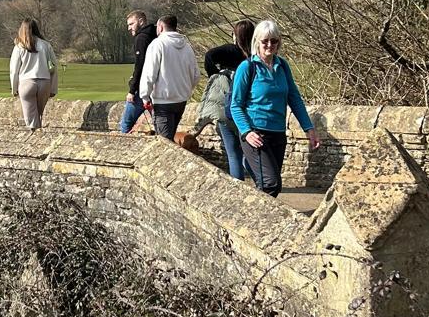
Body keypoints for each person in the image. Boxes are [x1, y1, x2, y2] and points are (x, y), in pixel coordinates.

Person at [229, 19, 322, 197]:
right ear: (257, 41)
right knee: (271, 184)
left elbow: (294, 99)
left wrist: (309, 128)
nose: (269, 45)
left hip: (278, 134)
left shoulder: (282, 66)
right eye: (265, 41)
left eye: (274, 41)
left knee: (268, 186)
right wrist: (247, 132)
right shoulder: (247, 67)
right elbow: (236, 105)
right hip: (256, 134)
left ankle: (255, 214)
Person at [200, 20, 254, 179]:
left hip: (228, 106)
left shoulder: (231, 50)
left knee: (233, 154)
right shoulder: (256, 55)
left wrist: (215, 76)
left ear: (235, 35)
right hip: (249, 108)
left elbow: (209, 55)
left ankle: (238, 186)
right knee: (250, 152)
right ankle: (261, 185)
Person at [138, 14, 200, 142]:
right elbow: (195, 75)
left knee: (164, 143)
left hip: (163, 102)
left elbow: (149, 74)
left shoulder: (158, 44)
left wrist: (145, 96)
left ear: (160, 27)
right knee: (170, 139)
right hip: (181, 100)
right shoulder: (187, 46)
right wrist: (186, 90)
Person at [9, 19, 58, 129]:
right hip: (44, 82)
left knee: (31, 121)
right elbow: (54, 67)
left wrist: (14, 89)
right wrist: (53, 89)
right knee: (40, 116)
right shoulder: (46, 45)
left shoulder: (19, 47)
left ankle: (35, 136)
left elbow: (14, 70)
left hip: (26, 83)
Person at [120, 10, 157, 133]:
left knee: (125, 124)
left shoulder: (141, 38)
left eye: (131, 24)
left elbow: (140, 65)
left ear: (141, 21)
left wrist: (132, 90)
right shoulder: (156, 36)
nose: (129, 28)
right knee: (159, 126)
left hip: (143, 89)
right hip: (158, 88)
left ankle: (125, 144)